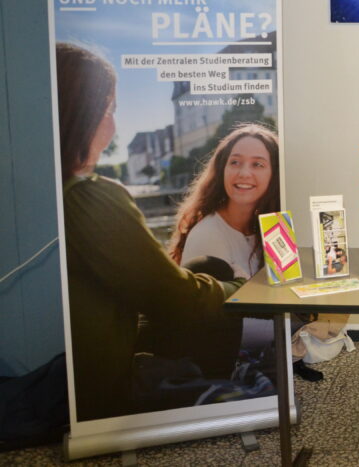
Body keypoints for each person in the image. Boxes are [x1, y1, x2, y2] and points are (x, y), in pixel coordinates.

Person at [56, 42, 243, 421]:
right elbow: (170, 296)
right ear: (84, 115)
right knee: (215, 284)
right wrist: (240, 290)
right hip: (103, 381)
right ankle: (212, 393)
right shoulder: (88, 196)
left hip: (76, 358)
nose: (113, 126)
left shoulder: (54, 187)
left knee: (206, 268)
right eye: (110, 111)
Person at [161, 123, 280, 378]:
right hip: (214, 362)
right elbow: (225, 328)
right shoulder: (208, 235)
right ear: (222, 169)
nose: (244, 173)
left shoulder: (272, 226)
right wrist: (298, 326)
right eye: (235, 162)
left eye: (258, 164)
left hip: (257, 345)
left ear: (275, 174)